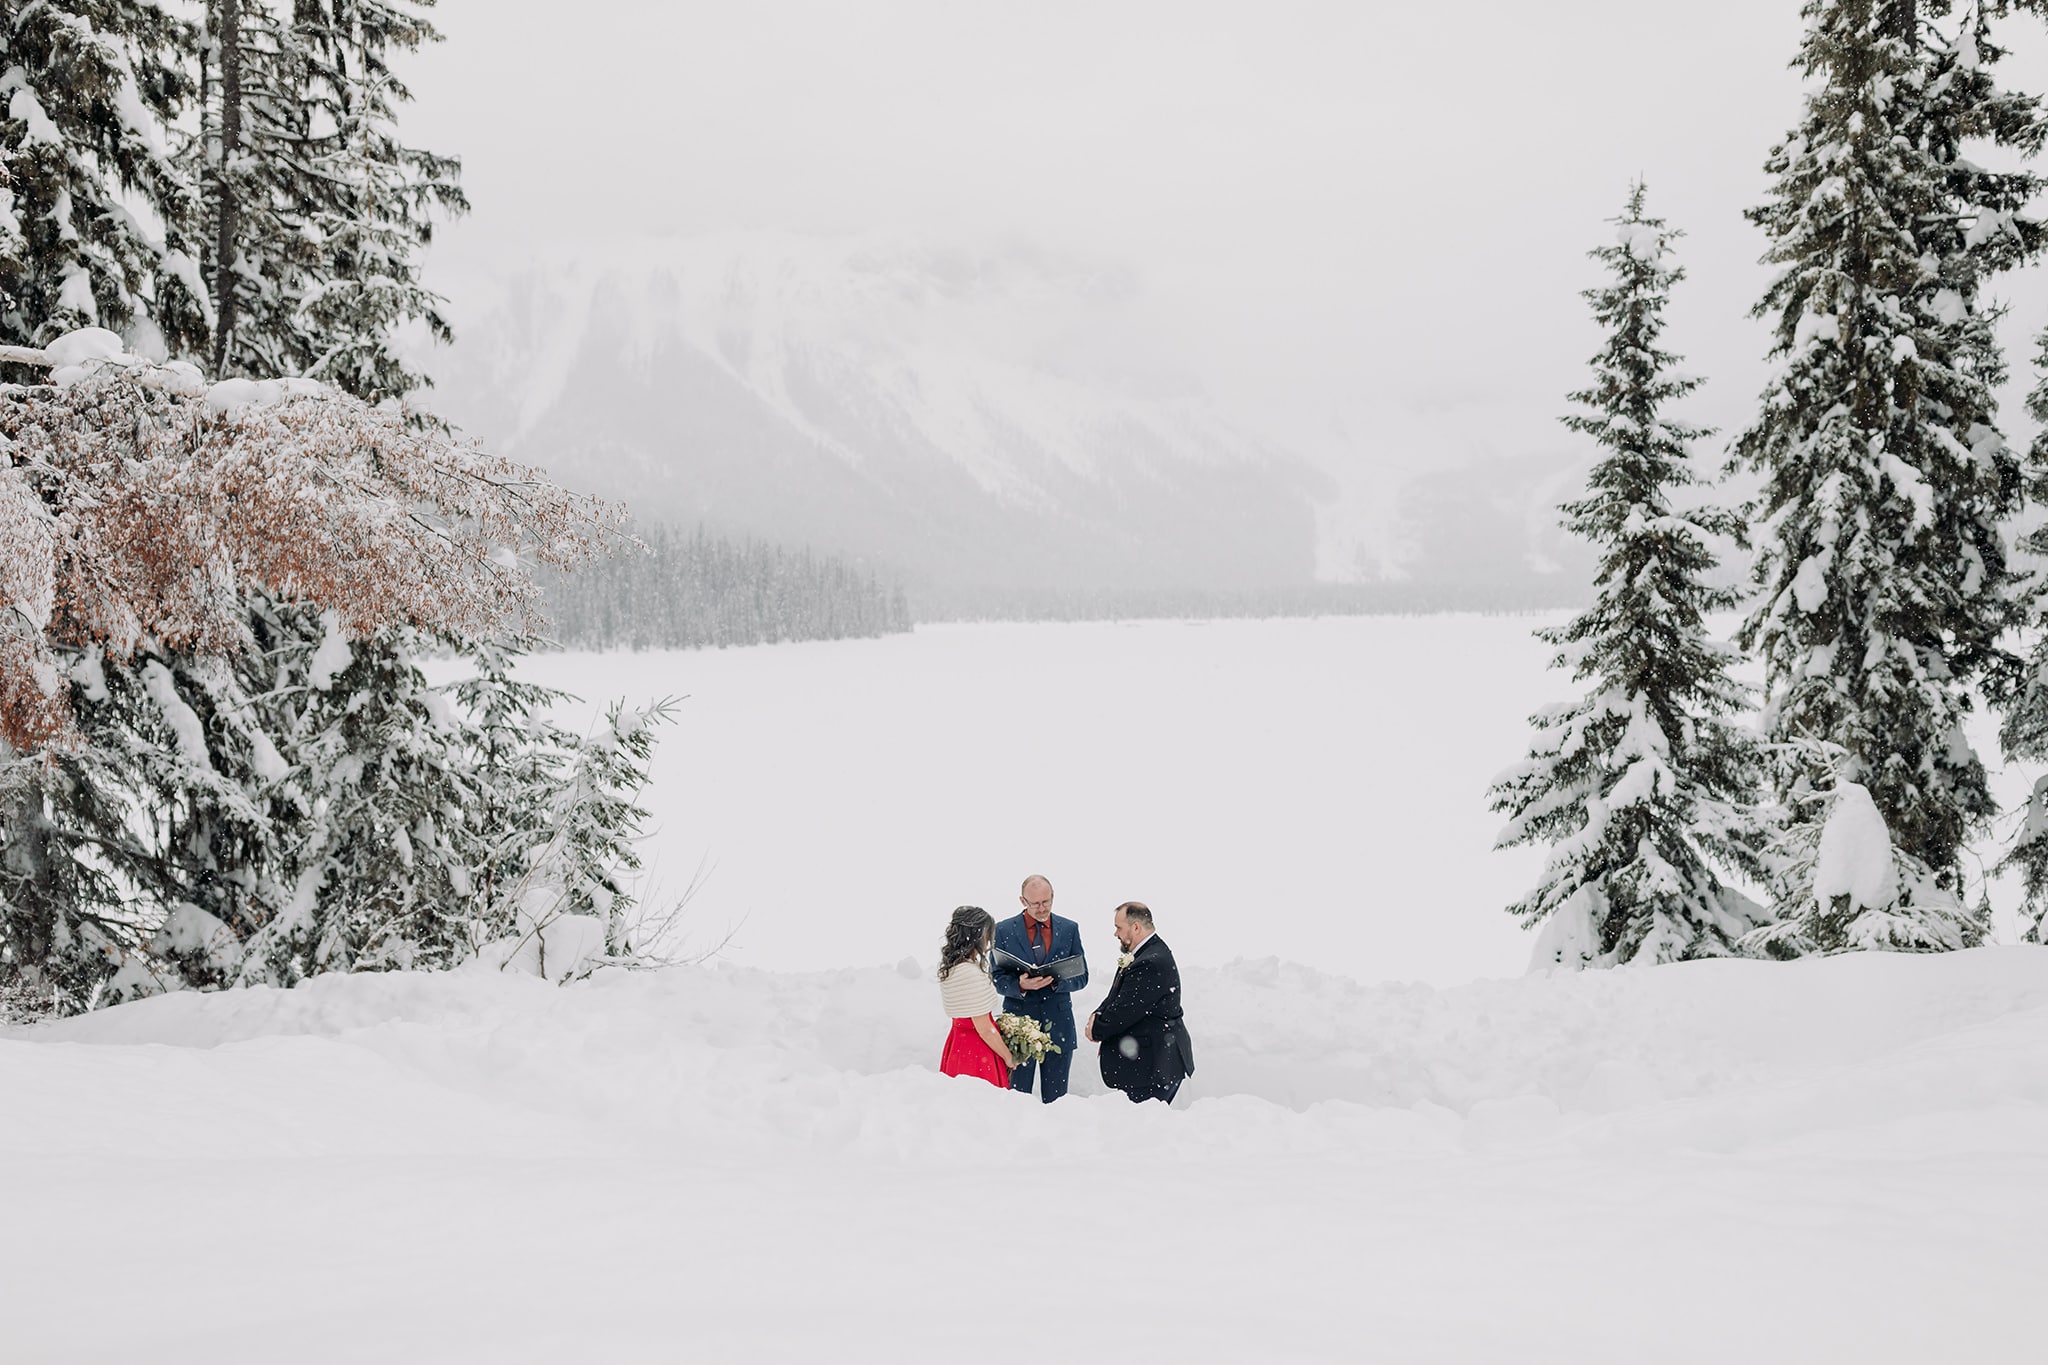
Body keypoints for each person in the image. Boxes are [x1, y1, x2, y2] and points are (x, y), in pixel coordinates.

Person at [992, 874, 1089, 1103]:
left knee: (1057, 1103)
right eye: (1035, 903)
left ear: (1053, 897)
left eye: (1046, 901)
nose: (1041, 908)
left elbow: (1082, 976)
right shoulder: (1003, 930)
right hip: (1018, 1029)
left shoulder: (1069, 929)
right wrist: (1020, 985)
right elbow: (996, 977)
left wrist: (1057, 982)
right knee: (1016, 1100)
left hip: (1059, 1027)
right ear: (1022, 901)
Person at [1086, 901, 1194, 1104]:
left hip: (1153, 1066)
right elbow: (1116, 995)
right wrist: (1097, 1013)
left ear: (1136, 927)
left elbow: (1125, 1010)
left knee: (1143, 1129)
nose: (1115, 933)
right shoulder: (1145, 954)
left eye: (1119, 927)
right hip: (1150, 1065)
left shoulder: (1150, 962)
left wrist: (1097, 1028)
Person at [937, 906, 1013, 1088]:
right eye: (987, 933)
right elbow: (985, 1029)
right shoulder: (969, 973)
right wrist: (1008, 1057)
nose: (988, 940)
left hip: (958, 1044)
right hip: (976, 1050)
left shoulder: (952, 967)